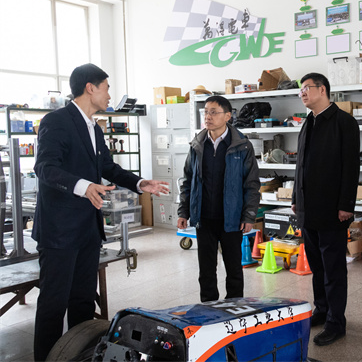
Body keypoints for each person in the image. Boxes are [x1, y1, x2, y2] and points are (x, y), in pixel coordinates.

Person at [33, 63, 169, 361]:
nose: (109, 95)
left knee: (83, 301)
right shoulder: (56, 121)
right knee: (54, 304)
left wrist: (140, 183)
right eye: (107, 88)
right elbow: (44, 167)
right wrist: (83, 186)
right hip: (59, 231)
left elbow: (107, 167)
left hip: (87, 228)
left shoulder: (94, 127)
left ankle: (79, 355)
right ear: (90, 87)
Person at [292, 72, 360, 346]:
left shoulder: (344, 122)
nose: (302, 93)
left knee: (333, 269)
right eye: (300, 90)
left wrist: (346, 205)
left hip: (333, 210)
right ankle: (322, 310)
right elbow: (300, 165)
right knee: (317, 266)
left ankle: (336, 322)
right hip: (308, 210)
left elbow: (351, 167)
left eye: (306, 88)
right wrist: (296, 198)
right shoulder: (307, 122)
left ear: (322, 90)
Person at [177, 95, 260, 303]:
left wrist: (249, 216)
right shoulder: (197, 145)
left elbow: (251, 184)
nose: (208, 116)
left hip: (231, 219)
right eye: (205, 112)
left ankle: (234, 308)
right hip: (204, 218)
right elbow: (187, 180)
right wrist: (183, 211)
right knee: (206, 271)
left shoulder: (242, 146)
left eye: (214, 112)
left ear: (228, 116)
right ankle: (209, 309)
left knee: (234, 270)